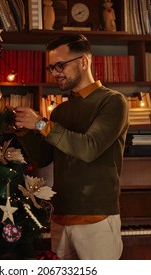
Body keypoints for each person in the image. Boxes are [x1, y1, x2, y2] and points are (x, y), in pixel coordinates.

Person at [14, 34, 129, 260]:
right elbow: (43, 159)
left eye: (60, 65)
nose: (55, 72)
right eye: (51, 68)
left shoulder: (113, 101)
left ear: (83, 62)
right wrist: (24, 130)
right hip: (60, 218)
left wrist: (40, 124)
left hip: (97, 219)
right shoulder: (60, 112)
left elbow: (89, 148)